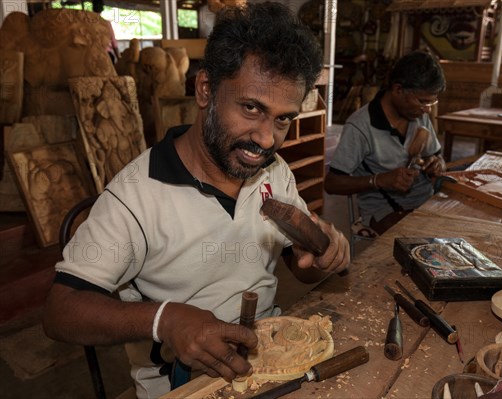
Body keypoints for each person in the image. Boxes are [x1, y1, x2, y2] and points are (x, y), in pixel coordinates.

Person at [43, 3, 350, 398]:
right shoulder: (136, 196)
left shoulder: (275, 173)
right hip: (183, 384)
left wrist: (323, 256)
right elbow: (60, 310)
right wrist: (165, 320)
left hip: (269, 360)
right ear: (205, 89)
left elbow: (300, 265)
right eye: (251, 108)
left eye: (282, 119)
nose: (266, 139)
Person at [324, 50, 447, 235]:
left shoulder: (418, 114)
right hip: (385, 211)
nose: (427, 110)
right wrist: (379, 180)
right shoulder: (360, 127)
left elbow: (435, 156)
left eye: (431, 103)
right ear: (398, 90)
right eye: (422, 101)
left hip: (426, 202)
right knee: (421, 244)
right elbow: (332, 184)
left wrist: (437, 163)